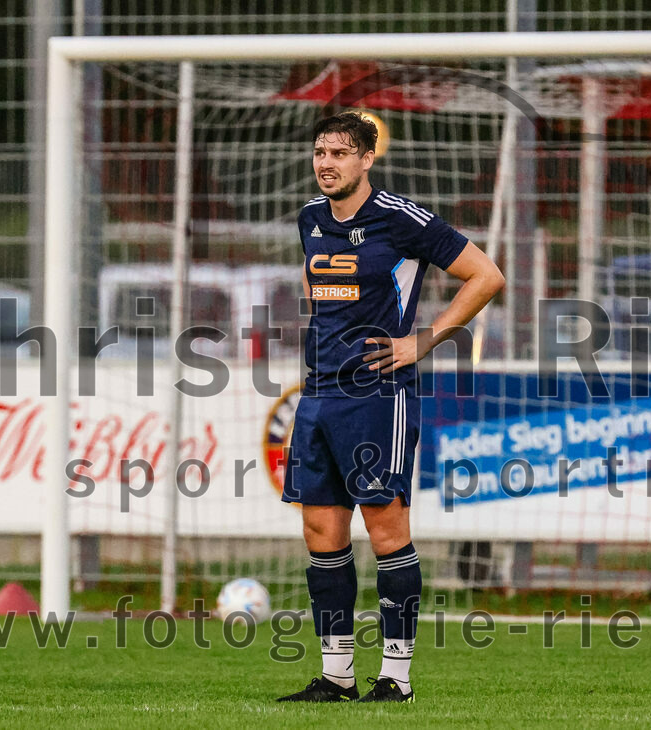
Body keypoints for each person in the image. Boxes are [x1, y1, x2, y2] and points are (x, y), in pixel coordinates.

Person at [276, 112, 504, 702]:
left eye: (340, 153)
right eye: (320, 152)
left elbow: (485, 275)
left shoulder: (401, 219)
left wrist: (422, 341)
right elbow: (318, 293)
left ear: (367, 160)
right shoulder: (310, 219)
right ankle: (335, 675)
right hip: (319, 392)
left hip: (380, 394)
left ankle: (396, 678)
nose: (327, 163)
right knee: (320, 531)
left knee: (385, 528)